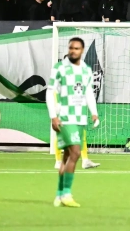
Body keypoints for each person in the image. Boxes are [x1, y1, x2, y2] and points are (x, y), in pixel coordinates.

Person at [46, 38, 99, 208]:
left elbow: (88, 93)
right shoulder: (60, 68)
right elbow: (50, 92)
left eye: (76, 48)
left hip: (80, 118)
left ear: (82, 50)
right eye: (71, 48)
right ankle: (67, 194)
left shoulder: (86, 70)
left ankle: (59, 193)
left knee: (68, 157)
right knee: (76, 152)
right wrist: (53, 116)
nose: (73, 51)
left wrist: (94, 112)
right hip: (65, 117)